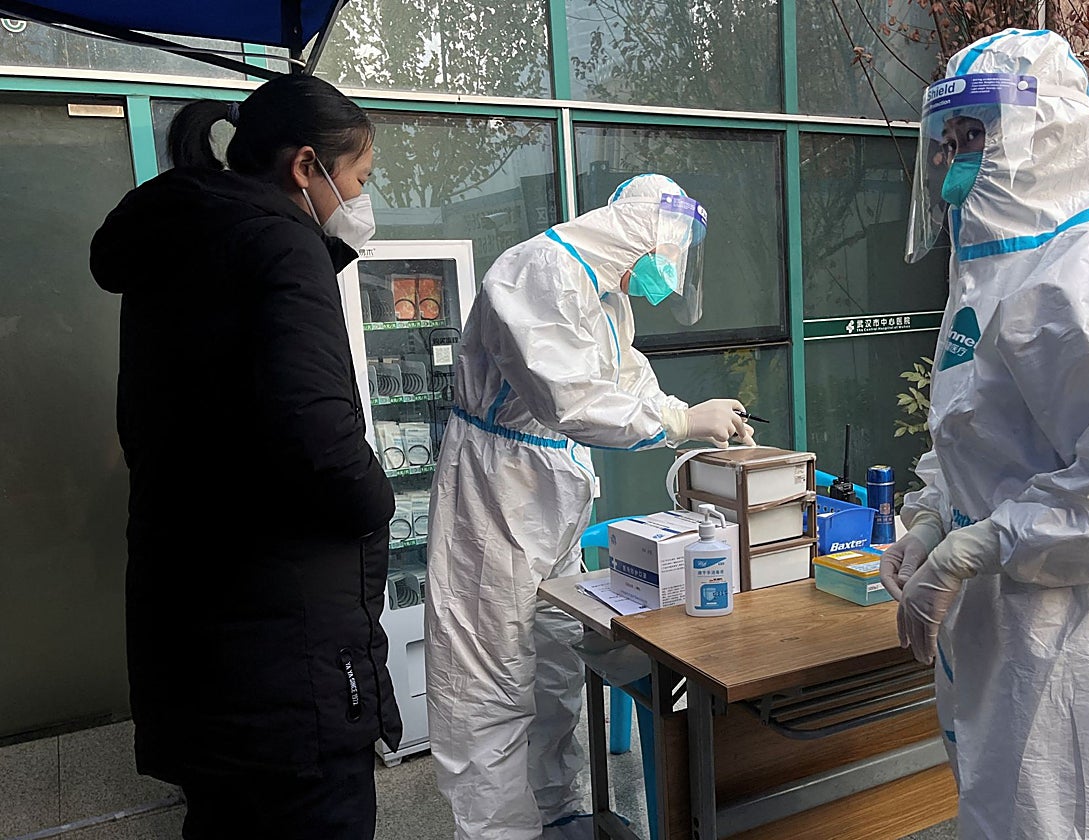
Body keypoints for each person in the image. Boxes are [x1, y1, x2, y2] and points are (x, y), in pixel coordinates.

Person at [882, 28, 1089, 839]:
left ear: (1046, 132)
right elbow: (971, 431)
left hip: (1078, 638)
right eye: (948, 140)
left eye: (976, 136)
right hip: (1005, 630)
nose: (957, 163)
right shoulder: (993, 271)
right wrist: (930, 516)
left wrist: (978, 544)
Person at [90, 74, 401, 840]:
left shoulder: (183, 243)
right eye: (357, 178)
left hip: (196, 641)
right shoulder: (279, 246)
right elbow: (321, 443)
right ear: (306, 167)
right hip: (286, 662)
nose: (360, 200)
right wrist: (378, 499)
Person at [425, 173, 753, 840]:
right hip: (497, 496)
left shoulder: (606, 295)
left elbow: (626, 379)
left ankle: (557, 810)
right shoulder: (537, 271)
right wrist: (683, 419)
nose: (667, 275)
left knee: (551, 660)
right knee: (491, 682)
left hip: (550, 494)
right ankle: (500, 833)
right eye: (669, 257)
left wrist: (694, 424)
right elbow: (571, 401)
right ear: (645, 238)